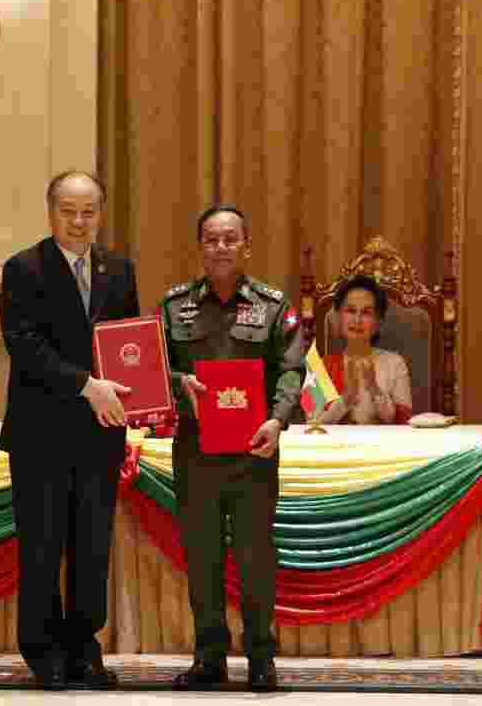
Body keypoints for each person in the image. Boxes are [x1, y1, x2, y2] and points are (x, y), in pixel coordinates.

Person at [0, 171, 140, 690]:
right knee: (42, 544)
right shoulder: (23, 268)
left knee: (91, 546)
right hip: (40, 431)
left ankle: (85, 646)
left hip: (101, 432)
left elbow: (128, 345)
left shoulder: (119, 270)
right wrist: (87, 386)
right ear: (50, 211)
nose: (79, 222)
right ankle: (43, 651)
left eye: (89, 212)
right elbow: (25, 345)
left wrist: (139, 393)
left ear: (100, 213)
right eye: (68, 211)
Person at [160, 204, 304, 693]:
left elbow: (291, 369)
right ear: (199, 246)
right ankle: (209, 657)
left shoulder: (273, 305)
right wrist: (182, 385)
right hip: (196, 450)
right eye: (211, 239)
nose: (220, 248)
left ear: (246, 245)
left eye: (229, 239)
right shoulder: (174, 306)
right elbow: (157, 371)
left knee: (254, 556)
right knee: (201, 557)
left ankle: (262, 657)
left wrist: (278, 419)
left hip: (252, 452)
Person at [316, 275, 412, 424]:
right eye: (350, 311)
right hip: (337, 446)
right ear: (338, 317)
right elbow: (312, 425)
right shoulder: (321, 367)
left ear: (379, 322)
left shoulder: (395, 363)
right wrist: (347, 397)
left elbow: (404, 421)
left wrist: (374, 388)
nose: (357, 320)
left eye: (366, 312)